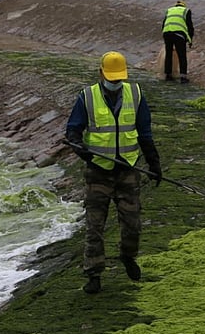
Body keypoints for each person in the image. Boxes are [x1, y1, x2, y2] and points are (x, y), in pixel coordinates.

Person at [65, 51, 163, 294]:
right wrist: (81, 150)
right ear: (101, 73)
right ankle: (94, 274)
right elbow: (73, 131)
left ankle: (128, 257)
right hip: (98, 171)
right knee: (94, 225)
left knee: (132, 223)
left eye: (119, 78)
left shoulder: (136, 95)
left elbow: (145, 133)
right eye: (112, 78)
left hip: (127, 170)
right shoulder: (87, 97)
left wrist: (154, 164)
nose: (116, 82)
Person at [162, 0, 195, 83]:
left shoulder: (169, 10)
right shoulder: (186, 11)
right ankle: (183, 77)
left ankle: (168, 75)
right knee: (182, 55)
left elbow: (163, 24)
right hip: (179, 34)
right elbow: (190, 26)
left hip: (167, 33)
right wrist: (190, 40)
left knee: (168, 54)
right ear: (183, 6)